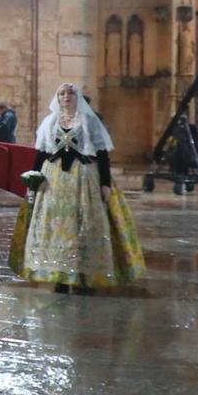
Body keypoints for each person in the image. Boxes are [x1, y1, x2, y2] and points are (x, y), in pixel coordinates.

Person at [14, 83, 146, 294]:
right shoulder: (50, 122)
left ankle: (86, 276)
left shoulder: (90, 122)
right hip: (54, 182)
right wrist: (34, 179)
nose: (66, 97)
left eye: (70, 93)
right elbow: (41, 153)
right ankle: (61, 276)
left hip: (84, 179)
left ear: (78, 98)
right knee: (56, 228)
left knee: (83, 225)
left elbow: (102, 155)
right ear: (57, 98)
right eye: (62, 93)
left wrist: (105, 183)